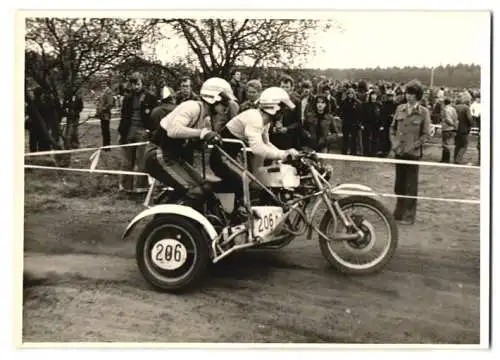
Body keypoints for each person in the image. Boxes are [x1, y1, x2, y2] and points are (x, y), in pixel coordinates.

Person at [209, 87, 300, 222]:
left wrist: (285, 153)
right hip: (221, 157)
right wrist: (282, 155)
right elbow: (258, 148)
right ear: (274, 107)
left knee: (252, 184)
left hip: (230, 156)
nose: (283, 113)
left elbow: (266, 143)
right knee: (243, 182)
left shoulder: (264, 120)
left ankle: (236, 212)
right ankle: (235, 219)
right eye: (282, 109)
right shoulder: (255, 118)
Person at [145, 77, 235, 211]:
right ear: (214, 99)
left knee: (206, 187)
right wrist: (202, 134)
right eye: (225, 103)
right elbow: (173, 131)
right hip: (158, 154)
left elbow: (192, 141)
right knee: (195, 191)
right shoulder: (192, 106)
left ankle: (177, 215)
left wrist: (207, 141)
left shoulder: (204, 117)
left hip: (173, 157)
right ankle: (173, 222)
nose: (226, 108)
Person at [390, 80, 432, 225]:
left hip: (413, 155)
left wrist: (414, 146)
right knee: (399, 184)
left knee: (411, 186)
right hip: (399, 153)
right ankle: (398, 212)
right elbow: (392, 130)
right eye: (408, 93)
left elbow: (426, 134)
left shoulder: (424, 112)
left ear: (418, 96)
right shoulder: (399, 109)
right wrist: (395, 145)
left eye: (412, 94)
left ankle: (409, 215)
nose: (409, 96)